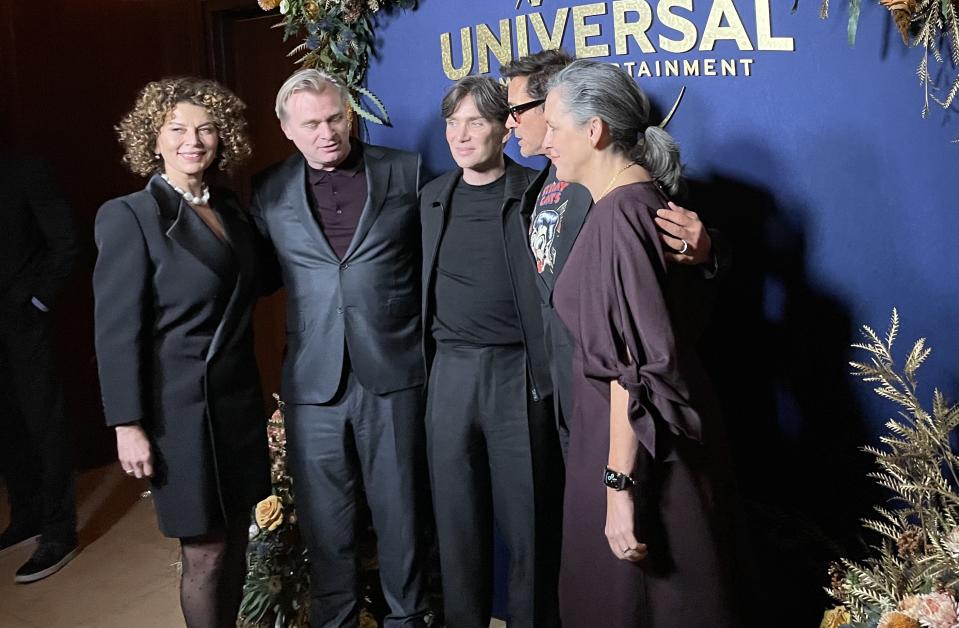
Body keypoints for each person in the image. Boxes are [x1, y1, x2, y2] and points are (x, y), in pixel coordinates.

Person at [542, 59, 735, 627]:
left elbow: (636, 371)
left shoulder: (618, 218)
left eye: (553, 127)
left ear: (595, 130)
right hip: (645, 440)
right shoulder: (642, 204)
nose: (544, 142)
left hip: (637, 451)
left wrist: (618, 485)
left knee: (641, 602)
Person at [249, 68, 429, 628]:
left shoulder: (406, 170)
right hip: (312, 381)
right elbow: (248, 276)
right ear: (286, 129)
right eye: (311, 123)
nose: (326, 132)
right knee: (326, 522)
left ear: (349, 114)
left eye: (335, 117)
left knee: (402, 516)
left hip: (394, 371)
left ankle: (409, 618)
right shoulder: (267, 190)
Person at [93, 77, 271, 628]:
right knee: (205, 551)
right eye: (177, 129)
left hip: (237, 403)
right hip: (181, 413)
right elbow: (116, 330)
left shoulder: (232, 210)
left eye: (206, 128)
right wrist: (128, 424)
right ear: (153, 137)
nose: (192, 140)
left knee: (238, 543)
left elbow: (263, 280)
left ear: (224, 138)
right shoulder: (129, 216)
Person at [501, 50, 726, 458]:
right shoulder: (545, 178)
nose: (509, 122)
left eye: (517, 109)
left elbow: (663, 243)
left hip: (619, 391)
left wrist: (707, 250)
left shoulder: (616, 180)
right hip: (567, 378)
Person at [419, 76, 562, 628]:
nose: (460, 134)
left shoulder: (541, 190)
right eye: (452, 123)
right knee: (456, 525)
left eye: (474, 121)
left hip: (517, 373)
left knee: (528, 525)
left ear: (505, 128)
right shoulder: (431, 196)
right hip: (450, 373)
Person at [0, 153, 79, 583]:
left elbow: (66, 239)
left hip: (22, 318)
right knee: (7, 424)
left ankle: (58, 530)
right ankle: (26, 517)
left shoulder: (26, 167)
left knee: (44, 420)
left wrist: (36, 300)